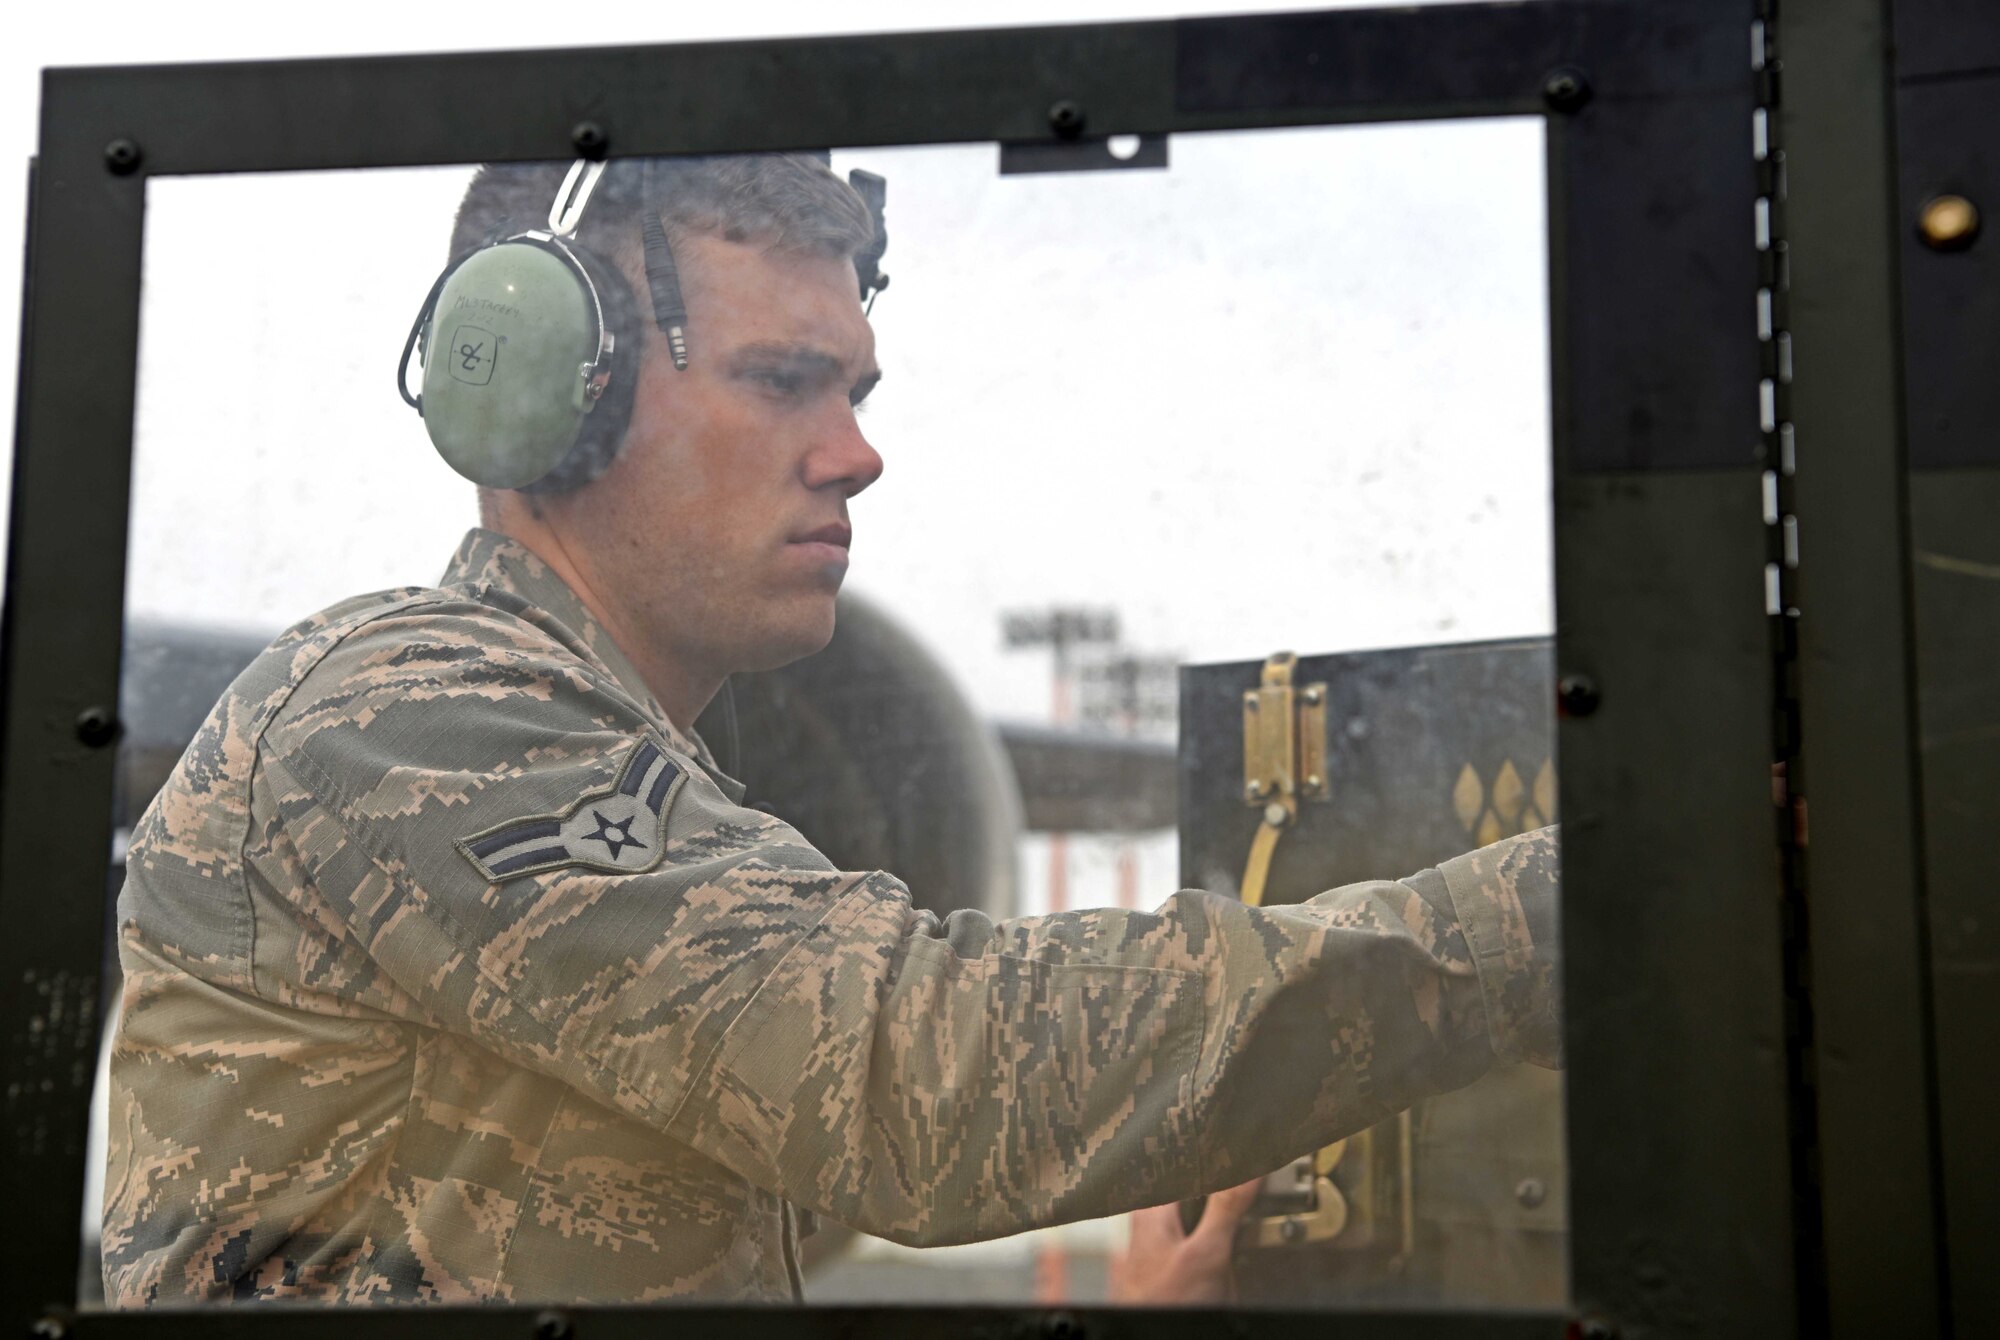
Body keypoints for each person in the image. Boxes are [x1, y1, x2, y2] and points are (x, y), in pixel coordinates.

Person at [100, 153, 1560, 1306]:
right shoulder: (399, 716)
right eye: (782, 380)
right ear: (556, 402)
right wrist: (1568, 911)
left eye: (853, 390)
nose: (856, 451)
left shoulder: (638, 784)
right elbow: (928, 1076)